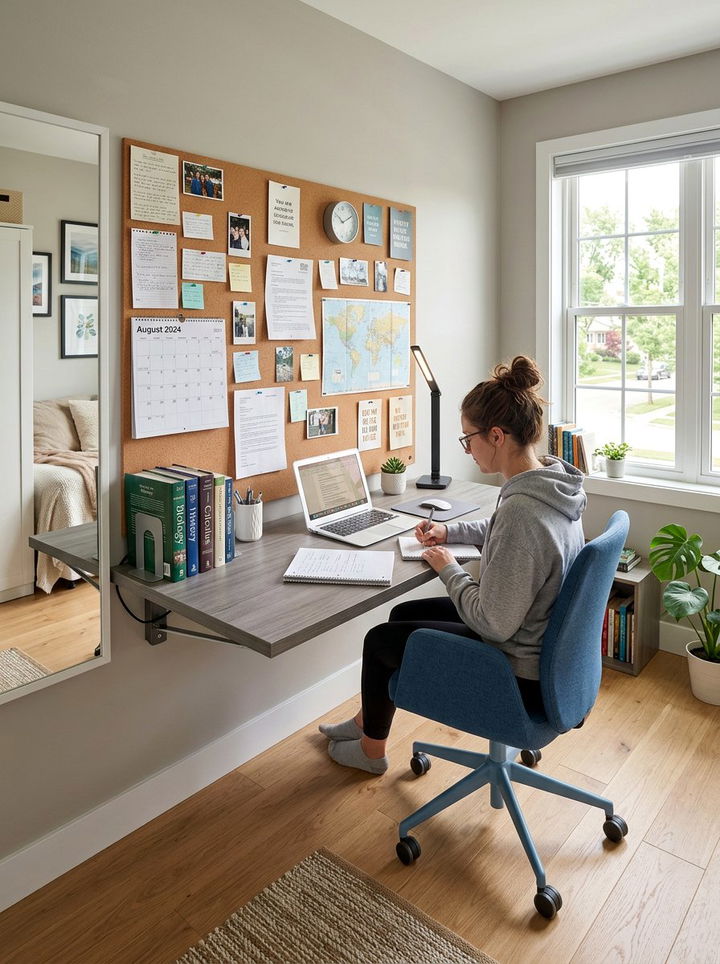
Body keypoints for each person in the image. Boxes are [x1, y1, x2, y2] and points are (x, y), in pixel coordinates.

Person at [319, 355, 587, 774]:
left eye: (468, 438)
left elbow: (494, 623)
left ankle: (371, 753)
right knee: (404, 614)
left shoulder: (523, 511)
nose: (467, 448)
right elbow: (503, 530)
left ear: (496, 435)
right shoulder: (549, 484)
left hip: (515, 672)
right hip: (541, 641)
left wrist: (449, 569)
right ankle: (366, 724)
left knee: (379, 640)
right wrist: (452, 534)